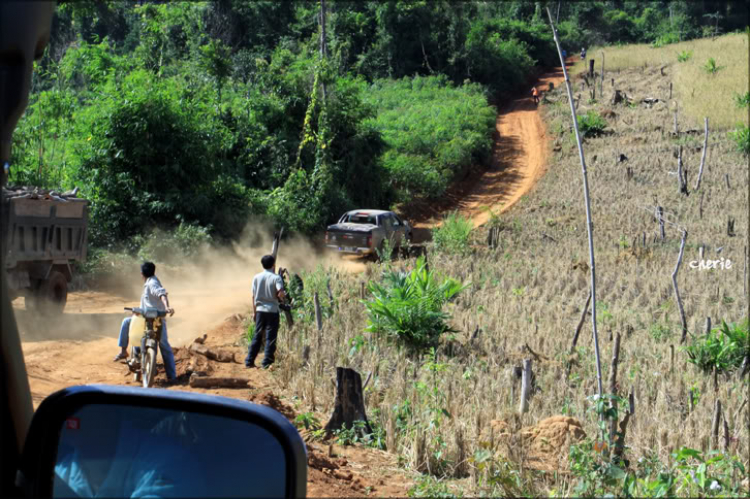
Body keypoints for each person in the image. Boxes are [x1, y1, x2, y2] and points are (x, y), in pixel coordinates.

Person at [114, 262, 177, 382]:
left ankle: (123, 351)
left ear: (142, 274)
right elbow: (153, 299)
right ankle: (172, 376)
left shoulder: (152, 283)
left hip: (156, 319)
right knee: (164, 345)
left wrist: (167, 306)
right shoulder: (151, 282)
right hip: (148, 317)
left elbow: (162, 294)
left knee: (127, 323)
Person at [245, 255, 286, 369]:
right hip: (272, 311)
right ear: (273, 265)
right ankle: (266, 363)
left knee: (257, 336)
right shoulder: (276, 278)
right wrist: (282, 298)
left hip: (259, 311)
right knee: (270, 337)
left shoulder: (256, 277)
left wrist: (255, 312)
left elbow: (253, 296)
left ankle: (249, 361)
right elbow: (280, 292)